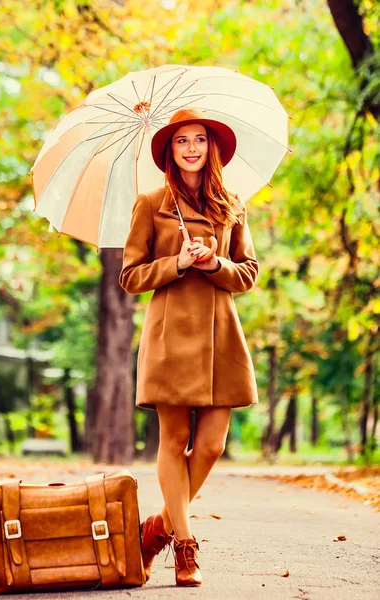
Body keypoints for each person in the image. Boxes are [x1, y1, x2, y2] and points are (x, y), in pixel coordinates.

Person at [119, 107, 259, 587]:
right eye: (182, 141)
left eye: (200, 139)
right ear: (169, 151)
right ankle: (184, 545)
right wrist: (177, 262)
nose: (192, 148)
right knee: (174, 441)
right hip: (171, 334)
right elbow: (130, 277)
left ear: (212, 147)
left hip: (221, 335)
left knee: (213, 444)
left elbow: (248, 273)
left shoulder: (232, 204)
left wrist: (214, 263)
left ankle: (157, 528)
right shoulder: (150, 202)